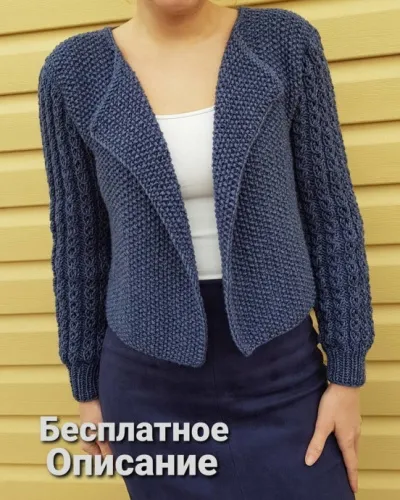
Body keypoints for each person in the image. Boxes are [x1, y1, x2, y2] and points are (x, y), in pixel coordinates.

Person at [37, 1, 375, 498]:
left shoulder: (284, 43)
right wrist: (86, 388)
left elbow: (330, 216)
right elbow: (78, 245)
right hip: (148, 384)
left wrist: (347, 376)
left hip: (281, 371)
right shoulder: (74, 73)